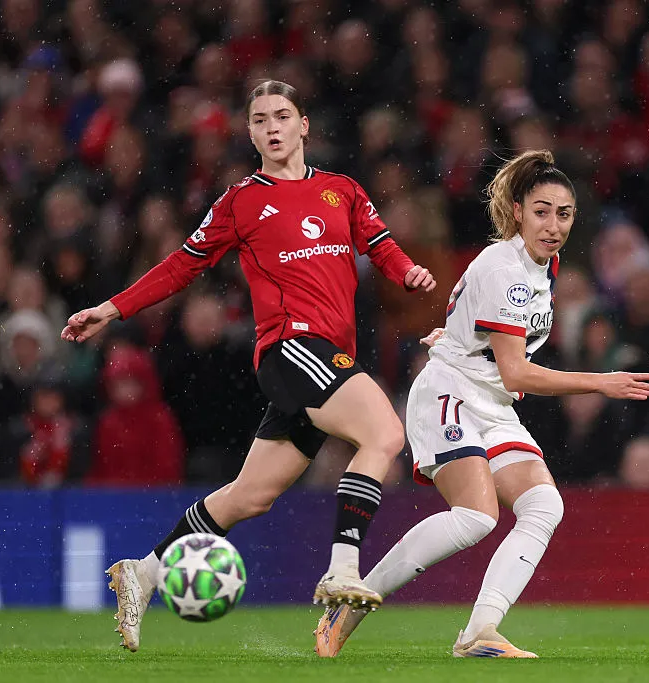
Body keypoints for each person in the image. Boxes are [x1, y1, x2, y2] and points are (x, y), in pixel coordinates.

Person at [60, 80, 437, 651]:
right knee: (385, 434)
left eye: (282, 115)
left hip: (328, 357)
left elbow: (379, 243)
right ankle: (342, 569)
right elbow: (181, 266)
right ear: (251, 133)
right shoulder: (241, 202)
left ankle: (144, 572)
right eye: (260, 120)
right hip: (292, 348)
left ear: (304, 125)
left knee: (249, 496)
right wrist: (112, 309)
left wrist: (406, 270)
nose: (272, 127)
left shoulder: (342, 190)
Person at [314, 150, 649, 658]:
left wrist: (456, 335)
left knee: (544, 505)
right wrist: (600, 382)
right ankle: (352, 603)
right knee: (476, 516)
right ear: (518, 212)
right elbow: (517, 371)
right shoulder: (506, 269)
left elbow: (490, 335)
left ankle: (480, 631)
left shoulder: (542, 264)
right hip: (450, 394)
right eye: (541, 212)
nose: (554, 225)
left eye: (564, 214)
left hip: (490, 399)